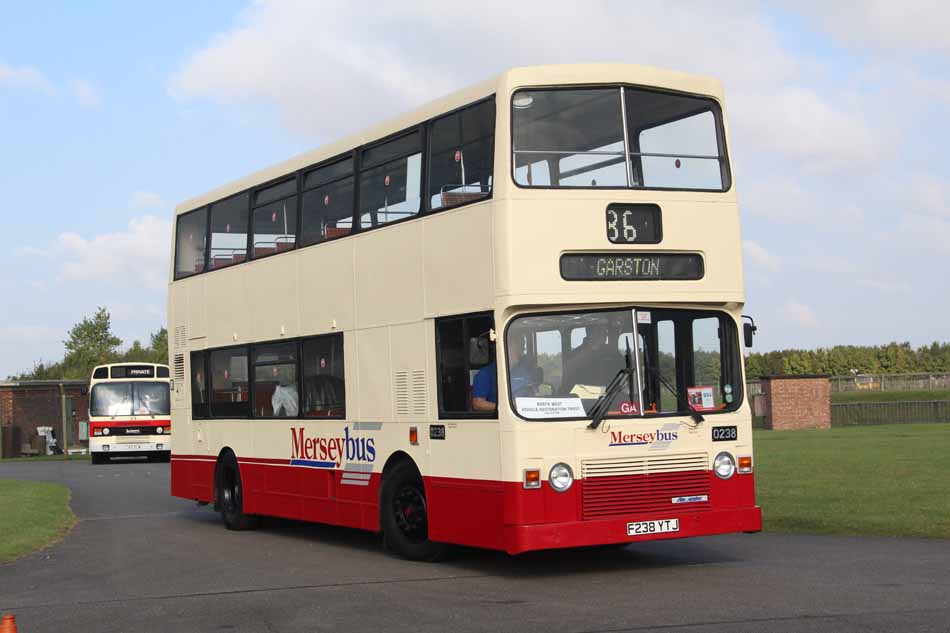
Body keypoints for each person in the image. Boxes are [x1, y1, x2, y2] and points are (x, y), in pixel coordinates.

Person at [472, 340, 535, 412]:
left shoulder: (523, 372)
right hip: (500, 419)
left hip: (526, 415)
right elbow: (478, 404)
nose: (522, 349)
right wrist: (509, 407)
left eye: (522, 345)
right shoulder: (485, 374)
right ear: (507, 346)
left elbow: (532, 393)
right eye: (519, 344)